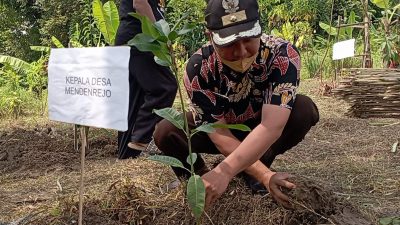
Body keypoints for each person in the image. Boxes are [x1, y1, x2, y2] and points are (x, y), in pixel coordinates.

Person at [154, 0, 320, 208]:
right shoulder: (198, 68)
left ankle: (253, 171)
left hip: (260, 132)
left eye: (249, 39)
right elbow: (220, 134)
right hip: (221, 132)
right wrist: (219, 174)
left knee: (303, 109)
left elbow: (271, 127)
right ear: (210, 37)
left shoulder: (282, 55)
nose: (241, 52)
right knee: (167, 130)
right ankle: (200, 180)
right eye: (229, 44)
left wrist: (264, 175)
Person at [115, 0, 177, 159]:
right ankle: (143, 139)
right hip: (141, 38)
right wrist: (160, 37)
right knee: (164, 87)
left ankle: (128, 153)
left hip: (131, 37)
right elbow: (140, 4)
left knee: (136, 97)